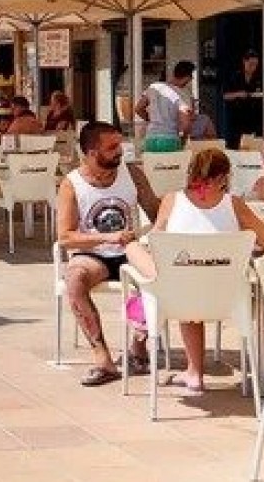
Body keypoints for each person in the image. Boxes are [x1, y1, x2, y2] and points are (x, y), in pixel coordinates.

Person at [123, 148, 264, 394]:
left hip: (178, 297)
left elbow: (156, 240)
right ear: (224, 177)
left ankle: (194, 373)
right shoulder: (235, 205)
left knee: (135, 247)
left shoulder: (172, 201)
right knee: (198, 276)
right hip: (227, 297)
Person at [56, 121, 161, 387]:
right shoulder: (72, 184)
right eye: (112, 147)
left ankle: (138, 346)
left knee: (158, 276)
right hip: (94, 254)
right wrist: (107, 237)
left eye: (120, 145)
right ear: (91, 152)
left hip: (130, 250)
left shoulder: (132, 174)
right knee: (75, 279)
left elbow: (157, 213)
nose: (120, 151)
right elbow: (66, 237)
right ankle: (102, 358)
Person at [135, 60, 196, 153]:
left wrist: (151, 120)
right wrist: (183, 140)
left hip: (150, 139)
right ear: (188, 77)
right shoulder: (184, 94)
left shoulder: (154, 87)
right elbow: (186, 124)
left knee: (152, 167)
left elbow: (138, 108)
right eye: (191, 77)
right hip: (170, 139)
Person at [222, 50, 264, 149]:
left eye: (255, 65)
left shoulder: (259, 78)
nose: (253, 67)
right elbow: (225, 96)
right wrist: (238, 94)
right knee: (234, 145)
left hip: (253, 117)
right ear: (244, 62)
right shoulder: (234, 76)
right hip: (236, 117)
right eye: (251, 64)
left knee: (251, 145)